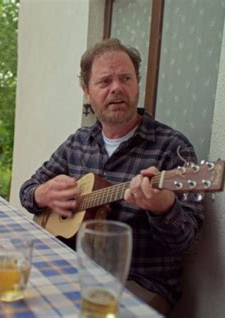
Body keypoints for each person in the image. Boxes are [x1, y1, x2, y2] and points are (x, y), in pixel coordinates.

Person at [19, 38, 204, 316]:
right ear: (86, 91)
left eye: (125, 78)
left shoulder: (172, 147)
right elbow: (27, 191)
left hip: (139, 282)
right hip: (76, 266)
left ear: (137, 84)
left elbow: (185, 242)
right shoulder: (78, 142)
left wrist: (163, 207)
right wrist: (41, 194)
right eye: (105, 81)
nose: (117, 87)